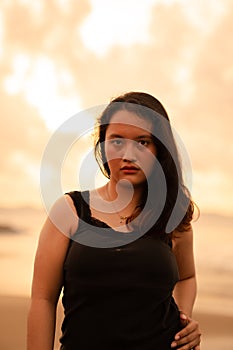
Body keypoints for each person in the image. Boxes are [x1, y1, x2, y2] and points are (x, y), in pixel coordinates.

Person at [27, 91, 202, 350]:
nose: (129, 154)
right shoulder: (70, 212)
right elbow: (43, 300)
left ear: (159, 149)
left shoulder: (172, 216)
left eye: (142, 142)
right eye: (117, 141)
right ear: (102, 145)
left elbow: (187, 276)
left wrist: (184, 319)